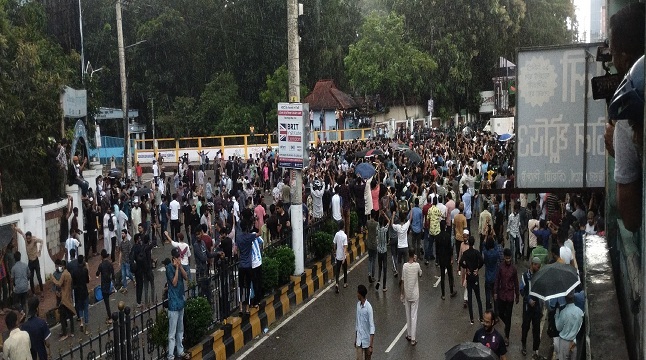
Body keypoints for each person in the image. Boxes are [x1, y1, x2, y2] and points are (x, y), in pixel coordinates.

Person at [166, 249, 190, 360]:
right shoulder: (169, 269)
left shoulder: (180, 267)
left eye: (180, 257)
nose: (179, 259)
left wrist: (180, 267)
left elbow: (186, 277)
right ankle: (170, 355)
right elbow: (174, 283)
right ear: (173, 258)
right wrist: (176, 268)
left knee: (180, 330)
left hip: (180, 301)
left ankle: (180, 351)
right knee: (172, 333)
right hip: (173, 304)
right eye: (177, 257)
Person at [494, 248, 519, 346]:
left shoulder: (513, 269)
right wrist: (495, 292)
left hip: (510, 296)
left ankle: (507, 336)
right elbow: (497, 280)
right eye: (506, 258)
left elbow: (516, 283)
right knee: (500, 313)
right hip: (501, 295)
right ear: (504, 257)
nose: (508, 260)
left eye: (509, 258)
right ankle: (507, 324)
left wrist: (517, 295)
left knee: (508, 316)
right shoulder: (500, 267)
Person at [521, 257, 543, 357]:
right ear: (533, 264)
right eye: (537, 266)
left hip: (537, 308)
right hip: (527, 307)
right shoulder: (525, 276)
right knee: (525, 327)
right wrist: (528, 300)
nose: (538, 268)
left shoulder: (539, 276)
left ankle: (535, 350)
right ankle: (524, 345)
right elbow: (522, 290)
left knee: (536, 329)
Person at [459, 236, 484, 325]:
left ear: (468, 243)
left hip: (469, 277)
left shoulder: (465, 253)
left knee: (470, 296)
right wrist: (477, 268)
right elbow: (482, 261)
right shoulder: (476, 253)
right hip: (475, 276)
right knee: (478, 298)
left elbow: (461, 262)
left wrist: (466, 268)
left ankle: (471, 318)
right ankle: (481, 317)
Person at [14, 226, 44, 297]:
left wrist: (39, 250)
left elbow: (42, 241)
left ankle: (42, 291)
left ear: (31, 237)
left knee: (39, 276)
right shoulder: (25, 239)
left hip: (36, 261)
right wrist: (15, 227)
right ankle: (33, 293)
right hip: (30, 262)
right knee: (31, 277)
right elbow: (21, 232)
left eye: (29, 238)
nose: (28, 240)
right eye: (27, 238)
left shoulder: (34, 239)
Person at [400, 248, 421, 346]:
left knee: (408, 315)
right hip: (415, 294)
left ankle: (408, 335)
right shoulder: (417, 265)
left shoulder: (404, 266)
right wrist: (416, 261)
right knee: (414, 316)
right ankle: (413, 338)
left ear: (408, 255)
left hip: (407, 294)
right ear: (414, 255)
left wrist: (402, 294)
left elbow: (403, 281)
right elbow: (420, 274)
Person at [51, 260, 76, 340]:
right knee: (70, 315)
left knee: (62, 316)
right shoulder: (69, 274)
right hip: (68, 297)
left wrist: (52, 279)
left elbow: (59, 283)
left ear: (63, 266)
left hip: (64, 299)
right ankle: (72, 331)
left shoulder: (64, 274)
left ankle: (65, 333)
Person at [555, 292, 584, 360]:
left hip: (564, 343)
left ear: (565, 300)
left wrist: (557, 313)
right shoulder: (580, 312)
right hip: (574, 342)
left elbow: (558, 327)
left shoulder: (563, 312)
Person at [436, 220, 457, 300]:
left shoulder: (437, 237)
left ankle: (443, 294)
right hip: (447, 257)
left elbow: (437, 249)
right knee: (450, 275)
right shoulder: (448, 236)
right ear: (445, 226)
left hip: (441, 258)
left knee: (442, 276)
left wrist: (437, 259)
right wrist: (451, 257)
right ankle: (451, 291)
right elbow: (450, 248)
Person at [354, 284, 375, 360]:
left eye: (357, 293)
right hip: (359, 340)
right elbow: (357, 323)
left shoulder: (368, 308)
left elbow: (372, 326)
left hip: (367, 340)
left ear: (360, 295)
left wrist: (371, 346)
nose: (357, 294)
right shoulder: (358, 305)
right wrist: (356, 338)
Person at [72, 255, 90, 335]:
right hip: (84, 291)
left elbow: (74, 283)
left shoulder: (74, 271)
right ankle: (86, 326)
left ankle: (81, 322)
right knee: (86, 308)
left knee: (80, 308)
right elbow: (87, 280)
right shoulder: (85, 270)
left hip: (78, 291)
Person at [96, 249, 114, 324]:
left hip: (104, 285)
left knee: (106, 303)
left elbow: (97, 274)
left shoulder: (101, 265)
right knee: (107, 301)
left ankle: (110, 317)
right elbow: (113, 274)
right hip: (109, 283)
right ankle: (109, 315)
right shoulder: (110, 264)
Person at [333, 220, 349, 293]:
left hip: (338, 255)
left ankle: (337, 283)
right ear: (343, 226)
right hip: (343, 256)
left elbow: (334, 243)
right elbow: (345, 247)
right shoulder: (344, 236)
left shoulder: (337, 234)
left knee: (337, 271)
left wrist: (335, 251)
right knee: (345, 269)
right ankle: (345, 283)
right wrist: (344, 256)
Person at [375, 212, 389, 292]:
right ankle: (384, 286)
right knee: (385, 268)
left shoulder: (377, 228)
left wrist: (380, 215)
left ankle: (378, 280)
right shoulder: (384, 229)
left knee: (380, 267)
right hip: (384, 251)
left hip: (379, 251)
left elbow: (378, 222)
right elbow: (389, 221)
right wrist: (385, 215)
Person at [365, 211, 378, 283]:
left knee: (370, 259)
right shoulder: (377, 224)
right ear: (375, 215)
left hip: (369, 243)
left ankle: (369, 273)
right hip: (374, 244)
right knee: (374, 260)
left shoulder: (368, 222)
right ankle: (372, 276)